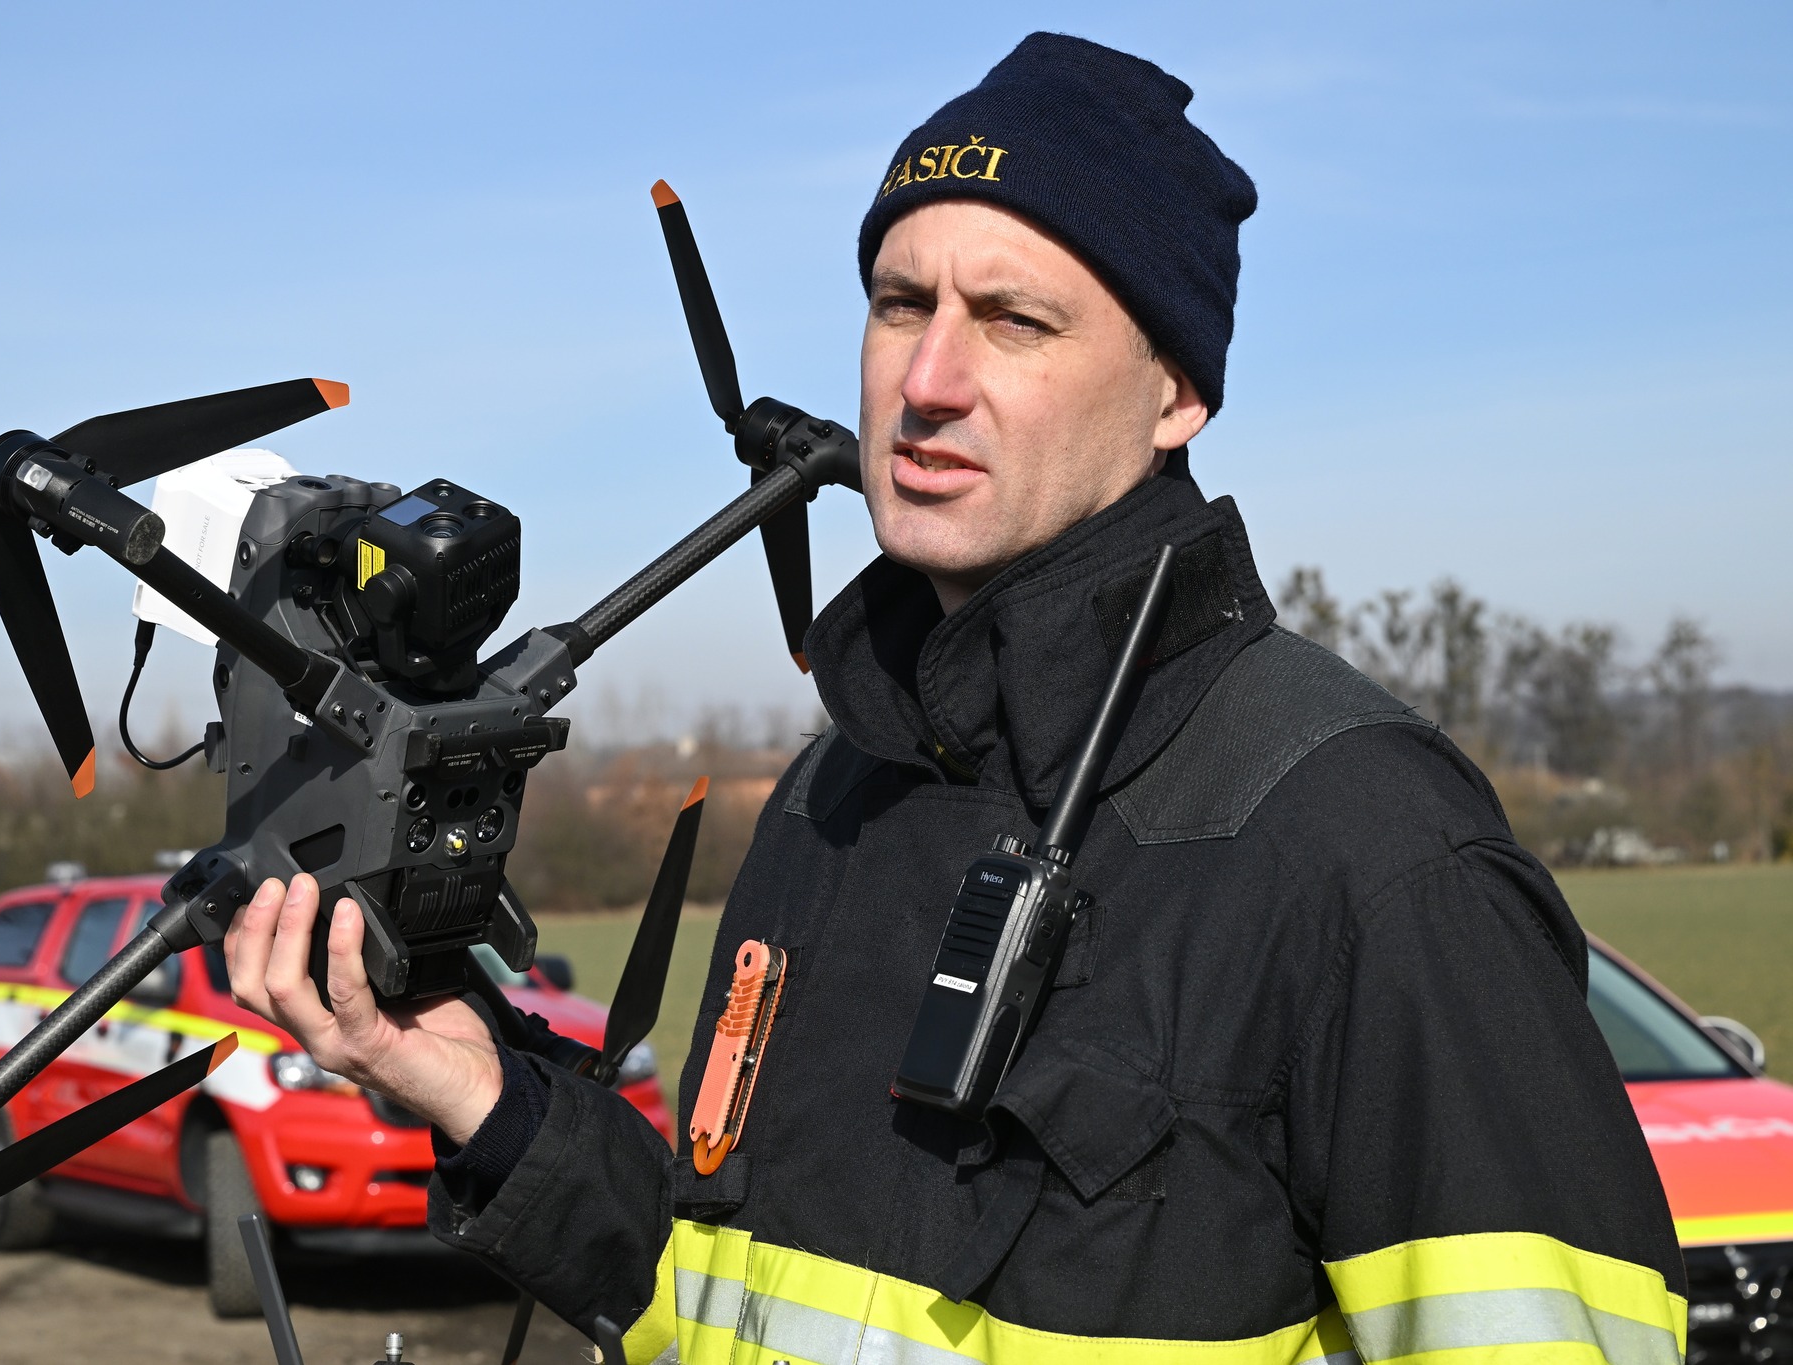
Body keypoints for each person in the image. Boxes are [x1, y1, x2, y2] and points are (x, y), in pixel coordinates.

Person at [225, 33, 1689, 1365]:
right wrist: (488, 1096)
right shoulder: (834, 798)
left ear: (1176, 396)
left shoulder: (1368, 848)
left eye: (1015, 321)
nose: (927, 378)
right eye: (899, 302)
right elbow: (725, 1309)